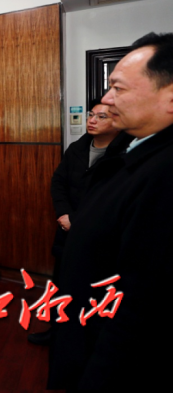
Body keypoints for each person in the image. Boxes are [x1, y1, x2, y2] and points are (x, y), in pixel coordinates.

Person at [48, 32, 173, 390]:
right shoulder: (133, 150)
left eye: (118, 88)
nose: (106, 98)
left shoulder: (163, 172)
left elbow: (142, 305)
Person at [28, 98, 128, 345]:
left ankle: (86, 342)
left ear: (118, 121)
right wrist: (64, 215)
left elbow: (115, 201)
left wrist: (78, 221)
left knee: (93, 291)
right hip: (66, 232)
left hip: (99, 239)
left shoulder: (126, 155)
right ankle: (56, 333)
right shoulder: (77, 148)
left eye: (101, 116)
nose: (92, 120)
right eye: (90, 114)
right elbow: (58, 183)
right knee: (62, 286)